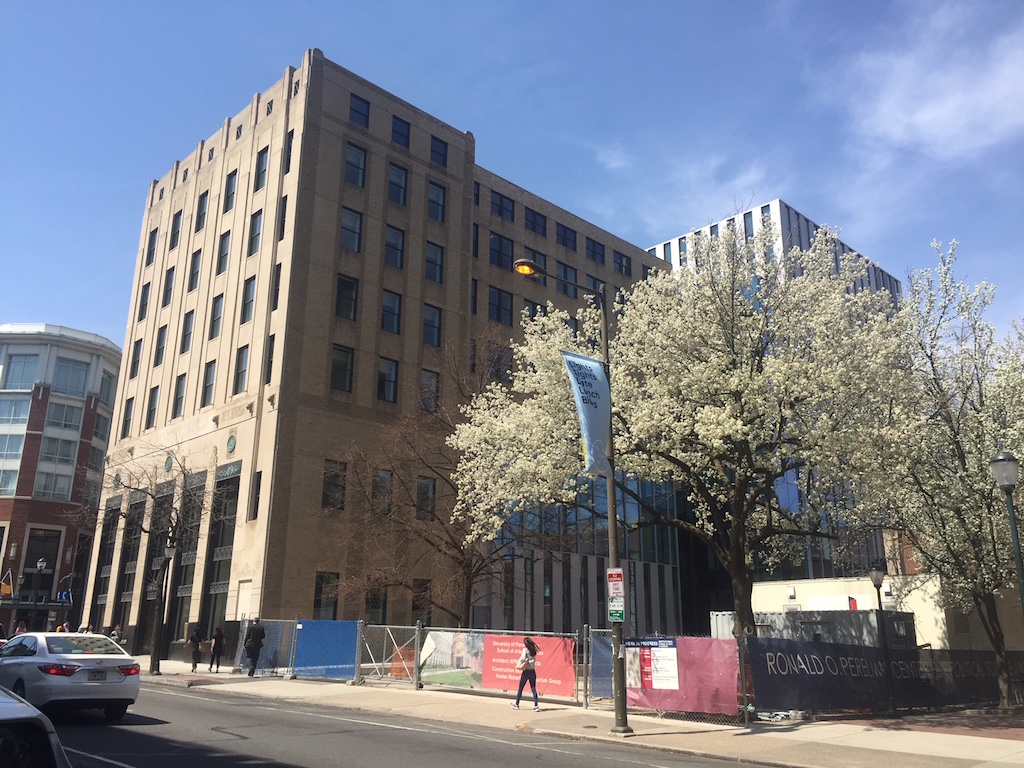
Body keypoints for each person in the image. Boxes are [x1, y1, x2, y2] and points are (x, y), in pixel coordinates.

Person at [510, 637, 540, 712]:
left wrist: (519, 661)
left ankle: (517, 704)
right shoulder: (534, 651)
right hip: (532, 671)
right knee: (533, 688)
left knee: (521, 688)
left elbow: (523, 658)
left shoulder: (525, 650)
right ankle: (536, 705)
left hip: (526, 671)